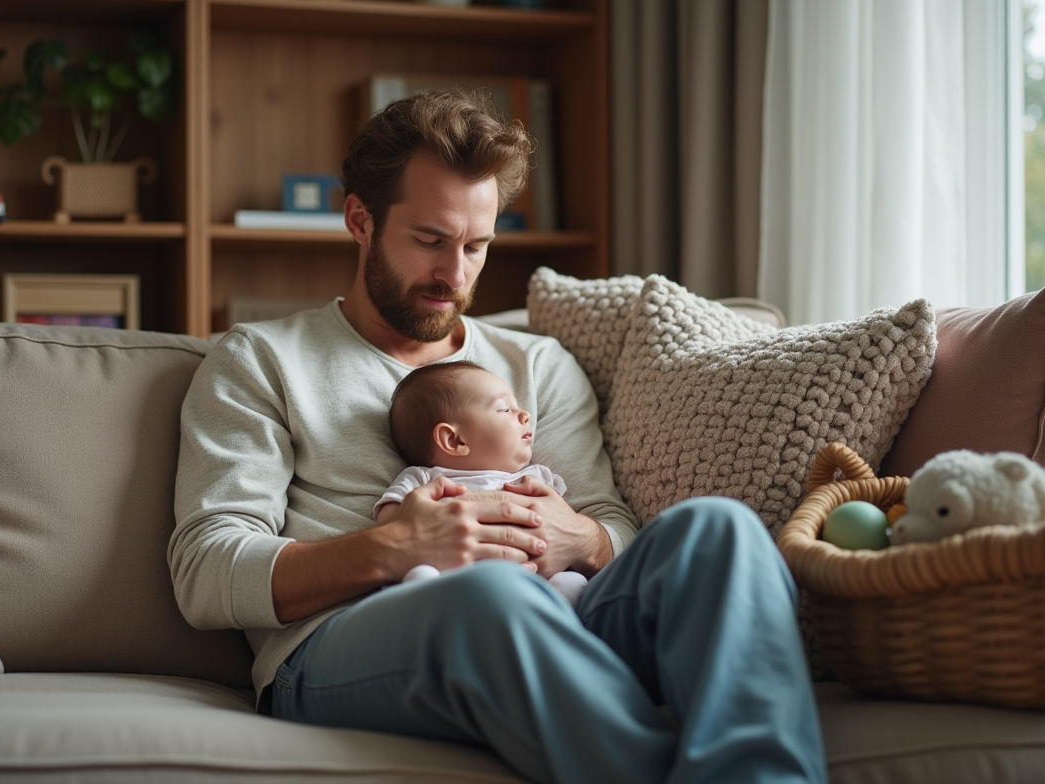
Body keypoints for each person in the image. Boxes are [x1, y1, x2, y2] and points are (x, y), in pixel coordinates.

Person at [170, 89, 826, 784]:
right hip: (340, 647)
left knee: (717, 530)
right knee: (486, 600)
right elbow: (206, 572)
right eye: (429, 241)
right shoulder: (262, 359)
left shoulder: (533, 364)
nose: (455, 275)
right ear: (360, 220)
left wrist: (583, 538)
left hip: (555, 611)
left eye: (476, 246)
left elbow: (611, 524)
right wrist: (395, 547)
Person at [376, 359, 588, 605]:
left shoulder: (537, 478)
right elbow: (389, 526)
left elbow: (565, 524)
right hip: (453, 582)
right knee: (420, 575)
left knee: (571, 583)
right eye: (504, 409)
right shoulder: (424, 479)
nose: (525, 415)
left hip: (528, 581)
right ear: (455, 440)